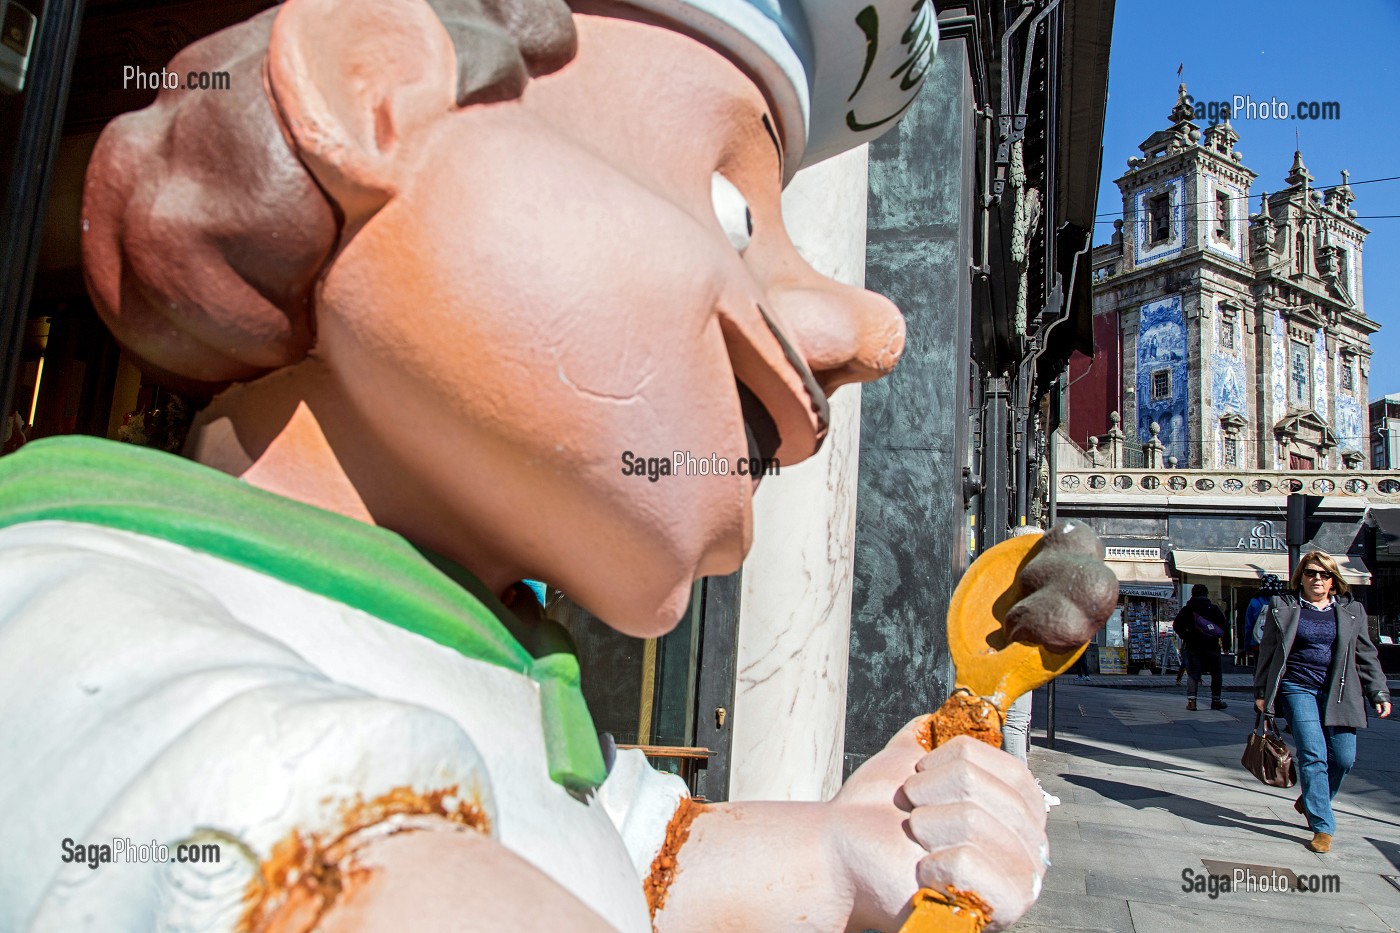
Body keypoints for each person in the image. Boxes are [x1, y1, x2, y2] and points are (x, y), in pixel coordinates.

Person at [0, 0, 1113, 930]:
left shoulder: (477, 651)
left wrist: (825, 857)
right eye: (730, 211)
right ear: (370, 91)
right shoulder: (72, 607)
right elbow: (252, 839)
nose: (863, 329)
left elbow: (619, 856)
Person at [1255, 550, 1392, 854]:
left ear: (1334, 581)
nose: (1317, 578)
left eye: (1324, 574)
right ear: (1300, 577)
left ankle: (1310, 801)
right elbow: (1267, 652)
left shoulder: (1352, 610)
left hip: (1341, 691)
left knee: (1344, 758)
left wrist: (1378, 692)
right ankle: (1322, 826)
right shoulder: (1284, 607)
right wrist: (1261, 693)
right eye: (1311, 573)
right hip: (1297, 688)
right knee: (1313, 753)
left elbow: (1366, 656)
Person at [1173, 583, 1229, 711]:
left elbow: (1177, 625)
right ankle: (1216, 701)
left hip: (1193, 645)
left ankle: (1192, 702)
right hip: (1212, 645)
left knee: (1193, 673)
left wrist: (1185, 635)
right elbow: (1224, 626)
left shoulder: (1188, 609)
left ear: (1192, 594)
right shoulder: (1213, 609)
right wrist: (1226, 645)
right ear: (1206, 594)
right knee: (1216, 673)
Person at [1245, 573, 1284, 665]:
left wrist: (1247, 645)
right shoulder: (1282, 600)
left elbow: (1248, 625)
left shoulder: (1254, 601)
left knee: (1258, 668)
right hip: (1276, 642)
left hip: (1258, 642)